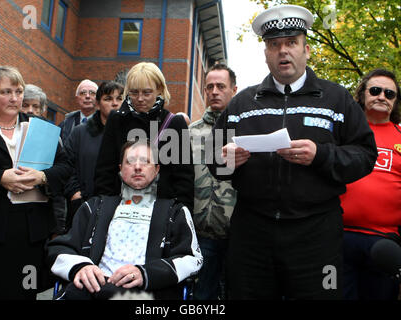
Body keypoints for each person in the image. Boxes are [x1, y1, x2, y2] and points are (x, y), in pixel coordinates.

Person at [208, 4, 378, 300]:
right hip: (252, 233)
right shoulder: (242, 103)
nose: (283, 51)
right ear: (265, 53)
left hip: (317, 235)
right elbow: (214, 160)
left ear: (306, 49)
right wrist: (225, 161)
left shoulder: (336, 99)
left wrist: (321, 155)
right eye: (274, 45)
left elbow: (365, 155)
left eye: (291, 43)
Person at [0, 65, 71, 300]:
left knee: (23, 292)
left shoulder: (39, 128)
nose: (14, 98)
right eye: (6, 92)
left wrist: (42, 177)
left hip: (29, 234)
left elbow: (65, 168)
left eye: (19, 91)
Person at [47, 139, 202, 300]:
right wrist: (80, 267)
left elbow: (193, 259)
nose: (137, 167)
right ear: (120, 170)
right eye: (130, 161)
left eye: (145, 161)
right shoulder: (93, 207)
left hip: (147, 292)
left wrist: (146, 273)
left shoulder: (176, 212)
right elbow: (58, 249)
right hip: (94, 288)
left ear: (157, 170)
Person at [94, 62, 194, 213]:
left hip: (161, 212)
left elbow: (183, 179)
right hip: (119, 210)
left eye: (147, 93)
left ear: (159, 90)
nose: (140, 99)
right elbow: (104, 171)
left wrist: (178, 215)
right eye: (134, 92)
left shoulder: (175, 123)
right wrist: (104, 210)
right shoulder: (116, 120)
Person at [340, 69, 401, 300]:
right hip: (337, 238)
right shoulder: (342, 133)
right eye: (375, 90)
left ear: (395, 102)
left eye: (390, 94)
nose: (382, 97)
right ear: (362, 94)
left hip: (384, 244)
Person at [189, 63, 237, 300]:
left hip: (238, 234)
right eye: (210, 87)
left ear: (233, 90)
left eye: (221, 86)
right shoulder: (190, 133)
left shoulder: (247, 131)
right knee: (202, 296)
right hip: (201, 235)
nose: (214, 91)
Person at [64, 81, 124, 228]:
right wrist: (75, 193)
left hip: (120, 210)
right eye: (108, 99)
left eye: (119, 98)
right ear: (97, 104)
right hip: (84, 206)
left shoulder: (130, 134)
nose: (115, 103)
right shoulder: (80, 132)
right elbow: (65, 165)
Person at [21, 84, 68, 236]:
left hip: (43, 206)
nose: (30, 111)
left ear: (42, 110)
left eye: (35, 106)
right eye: (25, 105)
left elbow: (63, 173)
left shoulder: (52, 137)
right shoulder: (10, 131)